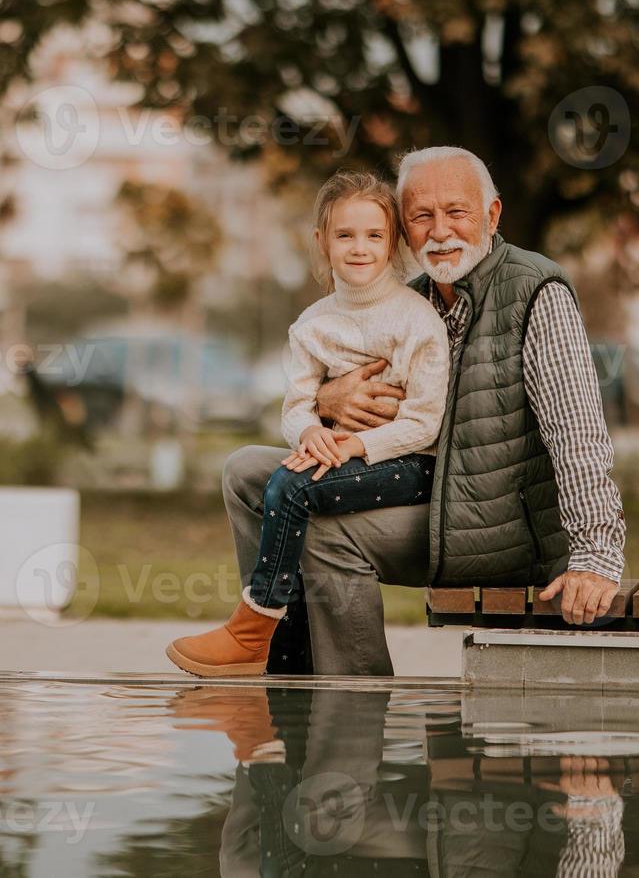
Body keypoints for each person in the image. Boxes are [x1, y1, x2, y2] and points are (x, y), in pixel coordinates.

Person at [223, 147, 627, 677]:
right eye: (421, 216)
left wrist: (594, 556)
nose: (440, 231)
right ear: (403, 231)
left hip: (499, 522)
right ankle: (285, 664)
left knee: (325, 530)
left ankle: (353, 711)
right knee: (247, 472)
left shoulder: (535, 291)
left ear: (492, 215)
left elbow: (577, 433)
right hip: (423, 488)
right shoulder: (406, 301)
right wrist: (325, 401)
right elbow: (342, 407)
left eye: (456, 212)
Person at [166, 171, 450, 677]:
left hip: (411, 466)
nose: (359, 248)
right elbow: (295, 406)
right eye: (345, 235)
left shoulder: (416, 319)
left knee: (293, 485)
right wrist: (311, 433)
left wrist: (354, 445)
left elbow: (424, 425)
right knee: (273, 472)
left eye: (374, 236)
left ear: (393, 243)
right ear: (322, 242)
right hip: (341, 455)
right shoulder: (313, 324)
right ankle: (288, 660)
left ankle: (254, 628)